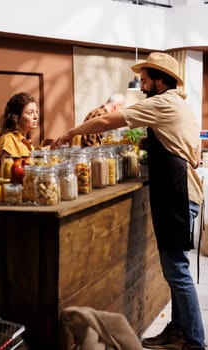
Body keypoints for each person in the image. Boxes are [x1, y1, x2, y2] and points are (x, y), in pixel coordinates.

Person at [51, 52, 205, 350]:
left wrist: (72, 131)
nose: (142, 85)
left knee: (177, 270)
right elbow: (189, 151)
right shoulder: (177, 104)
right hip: (179, 192)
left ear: (161, 81)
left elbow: (109, 120)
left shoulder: (161, 102)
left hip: (179, 194)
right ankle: (177, 330)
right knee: (175, 270)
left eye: (146, 80)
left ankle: (195, 341)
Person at [0, 92, 39, 177]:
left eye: (36, 112)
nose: (36, 116)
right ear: (16, 117)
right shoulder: (8, 140)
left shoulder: (27, 142)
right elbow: (9, 175)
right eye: (30, 113)